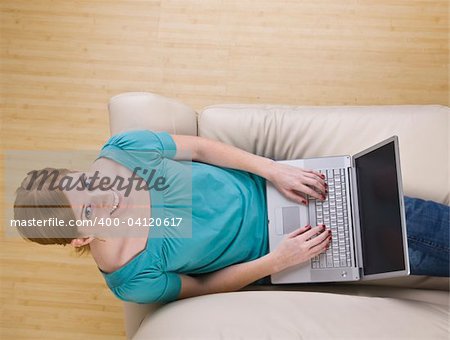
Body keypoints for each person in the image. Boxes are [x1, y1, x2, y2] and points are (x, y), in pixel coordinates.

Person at [13, 130, 449, 304]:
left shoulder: (124, 150)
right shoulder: (132, 279)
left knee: (404, 218)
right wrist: (277, 262)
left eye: (85, 181)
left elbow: (201, 150)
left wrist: (273, 169)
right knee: (400, 242)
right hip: (280, 250)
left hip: (276, 187)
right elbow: (204, 286)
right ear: (78, 239)